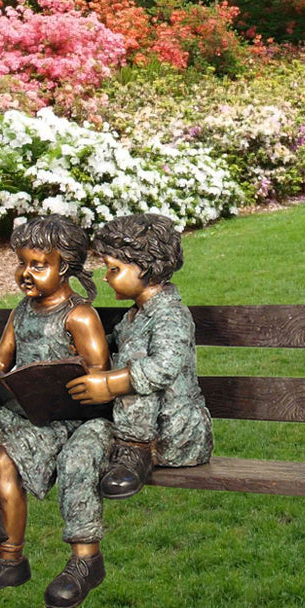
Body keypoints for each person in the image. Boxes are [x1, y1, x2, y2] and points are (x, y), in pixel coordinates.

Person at [0, 214, 111, 608]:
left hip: (62, 419)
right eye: (21, 263)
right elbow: (1, 365)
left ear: (64, 267)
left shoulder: (79, 315)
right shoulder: (20, 312)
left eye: (38, 265)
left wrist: (78, 381)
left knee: (6, 460)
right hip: (20, 410)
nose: (25, 273)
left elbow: (100, 380)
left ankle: (10, 560)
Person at [67, 212, 213, 500]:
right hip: (143, 424)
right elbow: (118, 343)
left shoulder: (171, 315)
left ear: (147, 269)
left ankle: (135, 453)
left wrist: (109, 384)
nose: (106, 277)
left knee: (139, 377)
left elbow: (162, 368)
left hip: (174, 431)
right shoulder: (136, 315)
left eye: (114, 269)